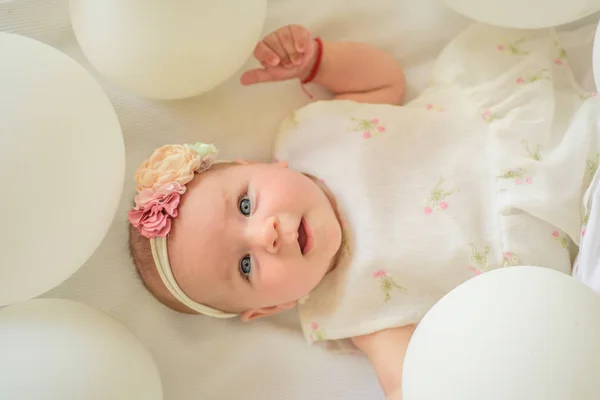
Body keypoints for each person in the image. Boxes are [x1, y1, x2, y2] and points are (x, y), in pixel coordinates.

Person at [128, 23, 598, 399]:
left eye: (246, 205)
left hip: (513, 125)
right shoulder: (352, 311)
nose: (264, 235)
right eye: (246, 265)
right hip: (561, 233)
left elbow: (384, 79)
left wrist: (317, 60)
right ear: (271, 307)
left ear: (260, 166)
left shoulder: (312, 134)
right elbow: (407, 379)